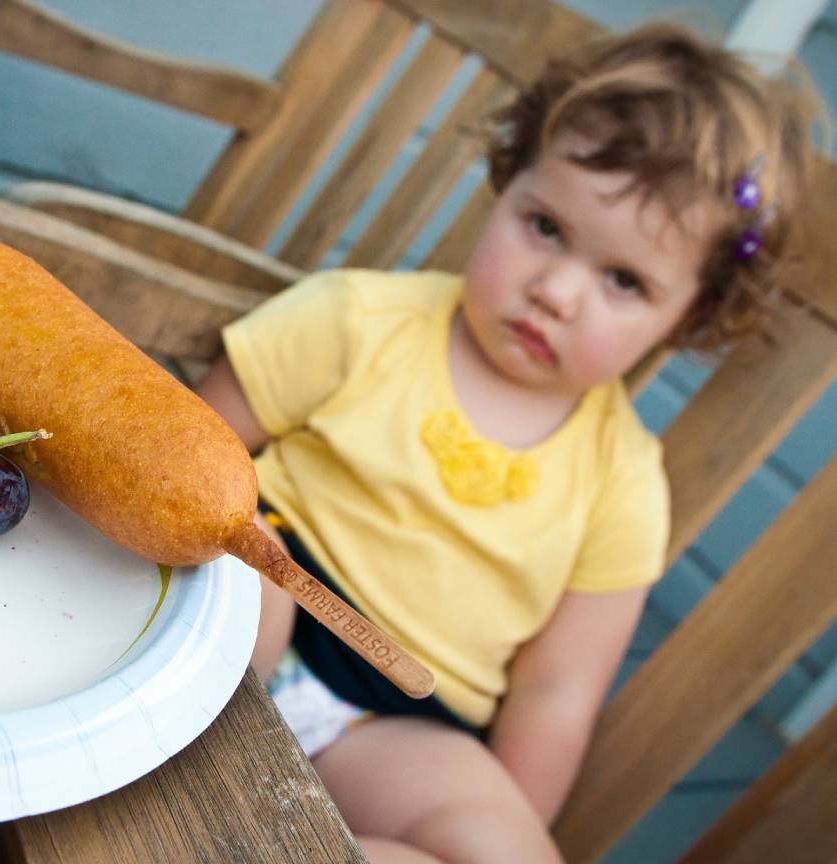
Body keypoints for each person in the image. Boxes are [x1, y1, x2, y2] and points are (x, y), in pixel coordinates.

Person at [193, 23, 821, 864]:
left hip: (394, 726)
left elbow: (559, 692)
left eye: (624, 281)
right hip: (269, 610)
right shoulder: (359, 319)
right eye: (547, 228)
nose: (556, 291)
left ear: (686, 320)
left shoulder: (624, 482)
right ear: (510, 181)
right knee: (248, 564)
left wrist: (502, 817)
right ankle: (185, 795)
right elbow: (193, 451)